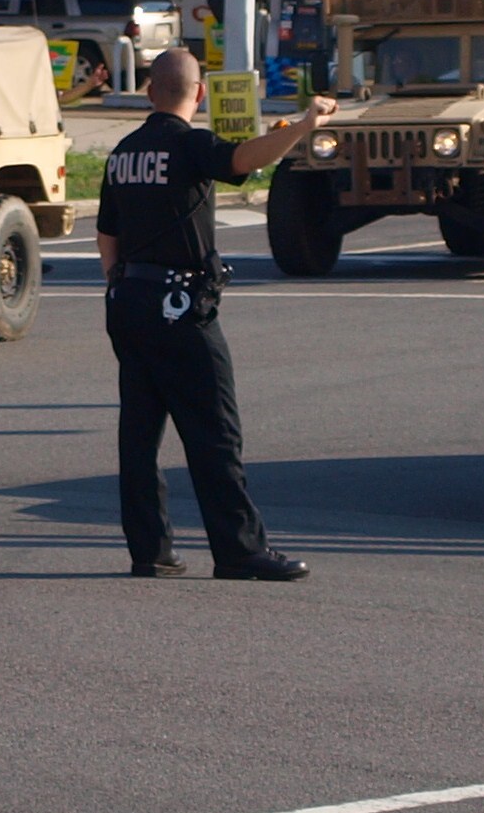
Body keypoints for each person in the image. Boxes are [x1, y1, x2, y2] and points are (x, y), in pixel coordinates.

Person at [95, 46, 333, 582]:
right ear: (199, 94)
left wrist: (119, 286)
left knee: (139, 434)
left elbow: (107, 234)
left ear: (149, 92)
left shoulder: (123, 153)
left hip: (129, 303)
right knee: (214, 432)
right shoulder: (190, 144)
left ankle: (151, 551)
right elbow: (245, 160)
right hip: (180, 308)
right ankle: (239, 550)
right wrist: (305, 124)